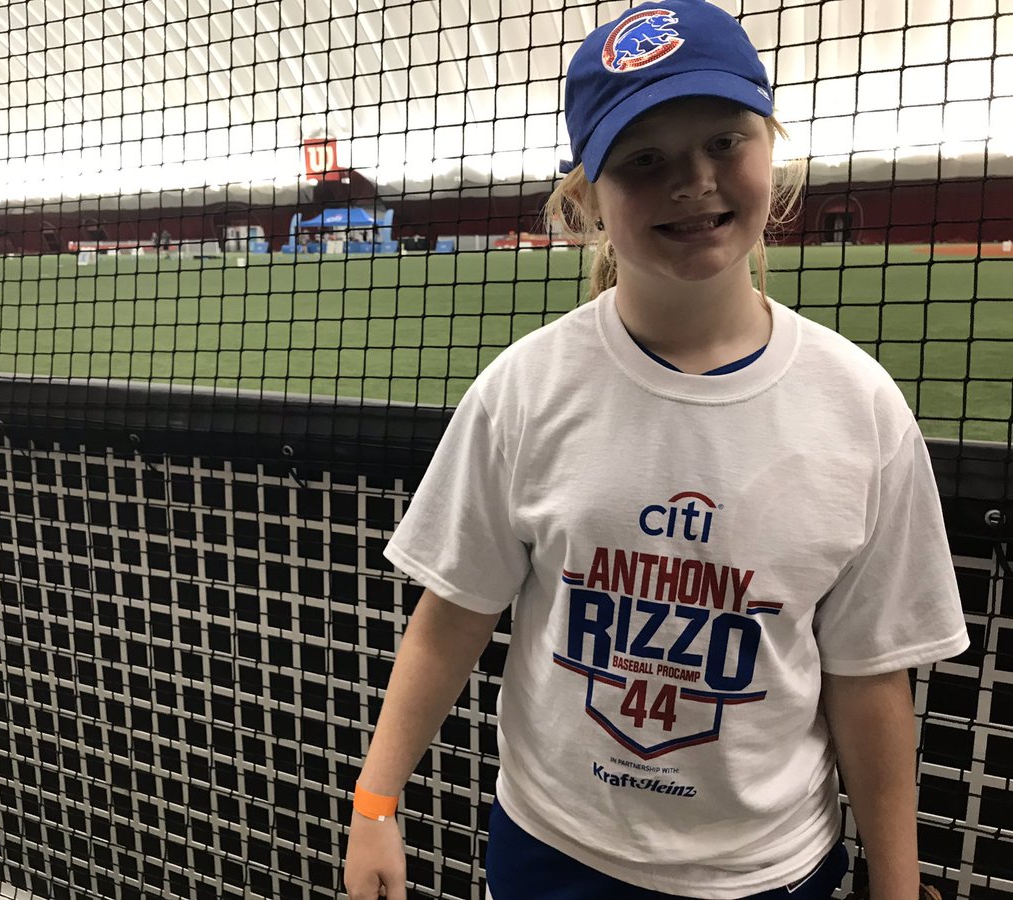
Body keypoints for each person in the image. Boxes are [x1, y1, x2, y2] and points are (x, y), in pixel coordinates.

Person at [343, 2, 968, 900]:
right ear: (585, 198)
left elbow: (869, 678)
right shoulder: (526, 391)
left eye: (725, 141)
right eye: (645, 161)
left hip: (766, 874)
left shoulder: (859, 407)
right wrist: (375, 801)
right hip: (552, 854)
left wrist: (898, 886)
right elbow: (453, 615)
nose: (695, 181)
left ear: (770, 151)